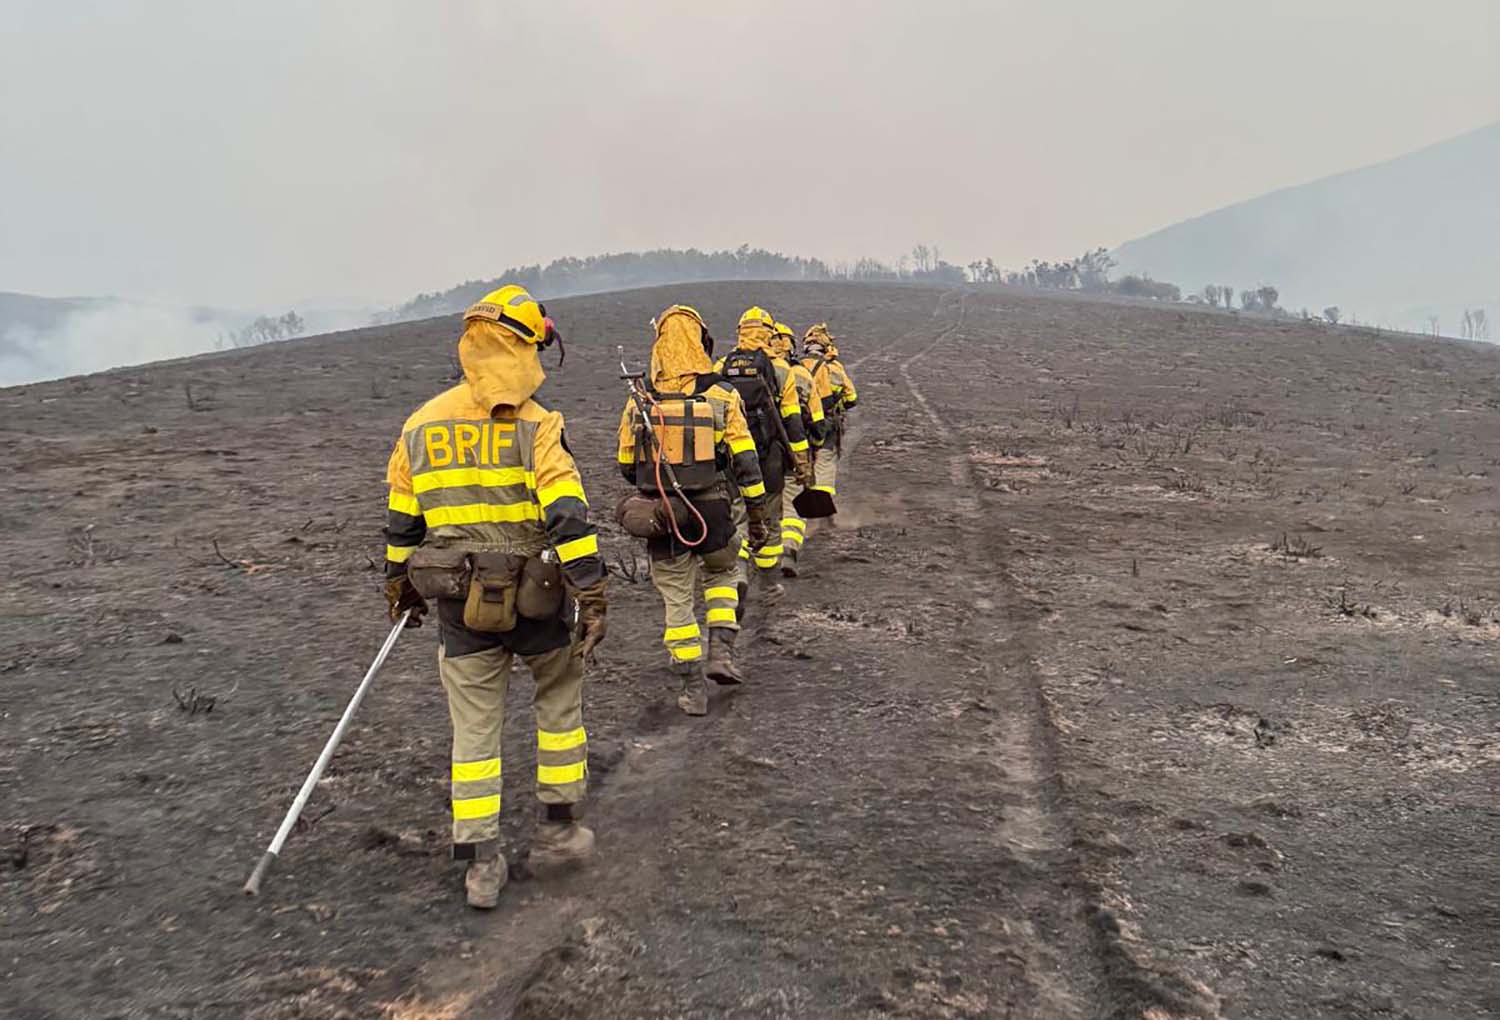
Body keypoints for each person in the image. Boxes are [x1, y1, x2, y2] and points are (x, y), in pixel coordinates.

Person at [382, 284, 608, 910]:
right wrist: (592, 592)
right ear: (527, 346)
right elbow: (568, 517)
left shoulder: (420, 426)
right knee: (558, 706)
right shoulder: (539, 427)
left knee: (473, 735)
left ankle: (480, 863)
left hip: (459, 608)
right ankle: (560, 831)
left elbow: (402, 522)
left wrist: (400, 585)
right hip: (539, 603)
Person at [616, 305, 772, 715]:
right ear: (701, 341)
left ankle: (691, 689)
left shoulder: (640, 398)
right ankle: (721, 652)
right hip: (715, 511)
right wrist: (756, 514)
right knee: (723, 574)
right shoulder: (721, 394)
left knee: (677, 604)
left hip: (664, 517)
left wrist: (658, 486)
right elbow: (746, 460)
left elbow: (625, 464)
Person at [713, 307, 811, 581]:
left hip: (733, 456)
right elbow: (793, 422)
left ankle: (740, 572)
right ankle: (769, 579)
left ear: (740, 332)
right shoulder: (780, 368)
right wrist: (801, 462)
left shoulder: (721, 367)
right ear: (769, 334)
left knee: (738, 514)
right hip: (770, 457)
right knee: (771, 516)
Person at [771, 321, 831, 577]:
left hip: (755, 455)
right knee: (794, 506)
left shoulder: (736, 370)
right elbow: (817, 419)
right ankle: (789, 550)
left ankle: (751, 559)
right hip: (795, 451)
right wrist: (814, 447)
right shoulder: (802, 374)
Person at [801, 323, 857, 507]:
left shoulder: (795, 366)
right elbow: (852, 398)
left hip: (800, 425)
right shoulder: (834, 368)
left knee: (800, 464)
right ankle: (822, 511)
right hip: (827, 423)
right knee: (825, 462)